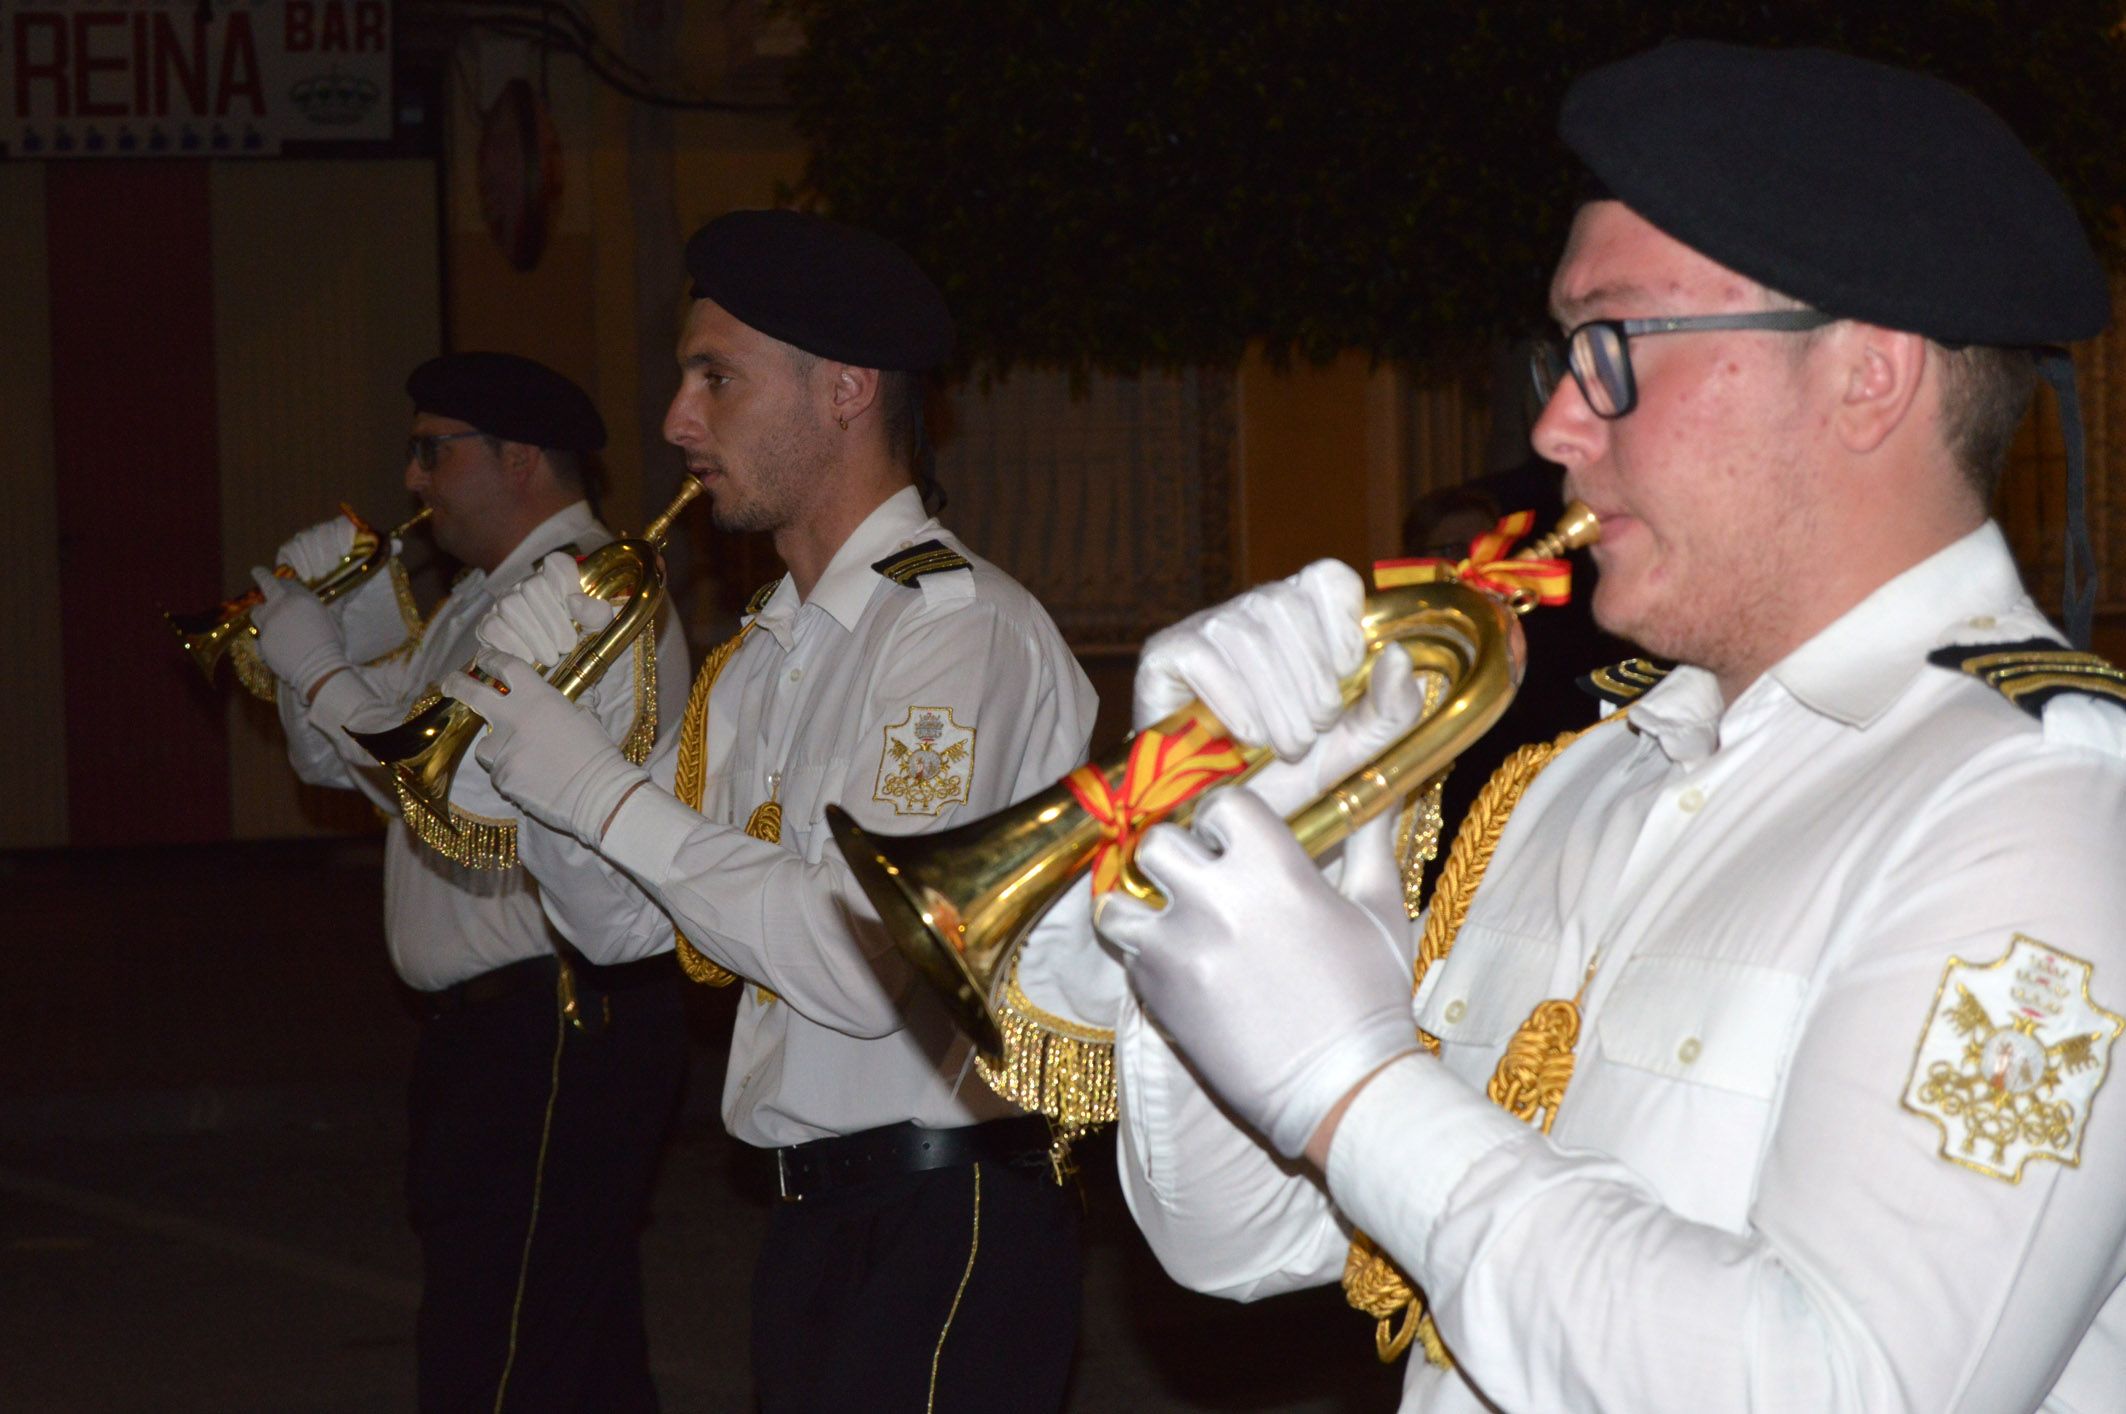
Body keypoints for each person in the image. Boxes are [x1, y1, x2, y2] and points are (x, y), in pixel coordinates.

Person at [1088, 41, 2126, 1411]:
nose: (1559, 425)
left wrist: (1350, 1076)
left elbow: (1846, 1385)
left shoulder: (2046, 809)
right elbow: (1243, 1241)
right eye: (1560, 354)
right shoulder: (1572, 781)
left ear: (1867, 375)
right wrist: (1227, 841)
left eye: (1614, 347)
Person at [440, 210, 1099, 1412]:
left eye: (717, 378)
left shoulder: (955, 633)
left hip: (947, 1213)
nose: (677, 420)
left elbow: (865, 962)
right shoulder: (760, 656)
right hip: (809, 1218)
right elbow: (627, 930)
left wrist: (599, 787)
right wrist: (534, 758)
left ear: (845, 389)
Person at [248, 351, 691, 1412]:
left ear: (522, 459)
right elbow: (345, 766)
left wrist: (316, 664)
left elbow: (431, 771)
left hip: (553, 1014)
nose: (413, 480)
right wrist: (340, 637)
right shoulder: (480, 597)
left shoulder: (576, 593)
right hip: (493, 1029)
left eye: (432, 451)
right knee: (569, 1341)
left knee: (498, 1347)